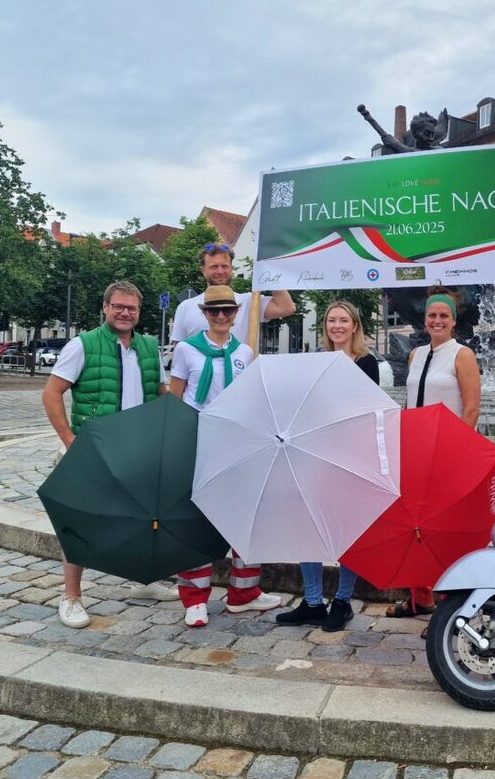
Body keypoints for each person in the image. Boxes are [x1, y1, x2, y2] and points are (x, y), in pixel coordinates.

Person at [171, 243, 295, 613]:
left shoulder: (250, 302)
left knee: (247, 510)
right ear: (204, 270)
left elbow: (287, 307)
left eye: (225, 265)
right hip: (200, 433)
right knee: (196, 515)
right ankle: (194, 597)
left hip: (241, 430)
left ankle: (245, 591)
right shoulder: (184, 313)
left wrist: (269, 269)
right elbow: (180, 381)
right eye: (213, 266)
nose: (220, 270)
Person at [41, 281, 173, 629]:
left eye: (132, 308)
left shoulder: (148, 347)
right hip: (96, 450)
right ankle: (70, 597)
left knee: (145, 520)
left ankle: (145, 582)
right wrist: (70, 440)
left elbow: (159, 392)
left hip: (137, 450)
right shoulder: (82, 345)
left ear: (139, 312)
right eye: (119, 306)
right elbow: (52, 393)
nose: (125, 312)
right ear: (105, 307)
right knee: (80, 525)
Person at [276, 300, 377, 632]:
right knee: (309, 525)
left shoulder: (366, 362)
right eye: (332, 320)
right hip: (315, 454)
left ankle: (343, 600)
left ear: (354, 326)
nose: (337, 326)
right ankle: (313, 601)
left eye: (343, 320)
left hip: (350, 456)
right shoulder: (315, 362)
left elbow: (366, 410)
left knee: (348, 530)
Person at [390, 285, 481, 622]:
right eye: (432, 315)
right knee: (416, 526)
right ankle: (420, 597)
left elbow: (471, 409)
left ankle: (447, 606)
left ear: (453, 321)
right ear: (425, 320)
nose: (437, 320)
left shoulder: (462, 355)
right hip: (415, 451)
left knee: (443, 530)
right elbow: (411, 402)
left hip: (445, 453)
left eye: (444, 315)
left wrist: (455, 451)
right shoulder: (416, 354)